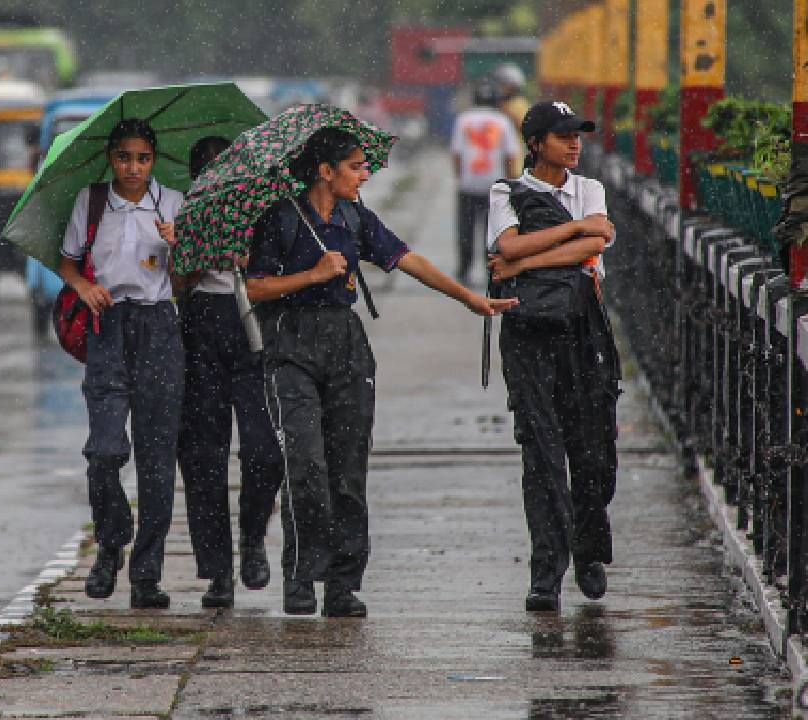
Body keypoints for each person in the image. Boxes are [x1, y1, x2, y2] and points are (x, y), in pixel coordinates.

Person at [246, 128, 516, 617]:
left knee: (348, 470)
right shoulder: (280, 219)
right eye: (355, 166)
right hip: (292, 349)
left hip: (347, 347)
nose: (364, 174)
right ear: (325, 171)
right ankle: (302, 575)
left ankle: (344, 584)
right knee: (305, 466)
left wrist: (467, 297)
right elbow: (257, 289)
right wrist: (313, 275)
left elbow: (406, 257)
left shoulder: (354, 217)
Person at [486, 100, 620, 613]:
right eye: (562, 135)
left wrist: (531, 251)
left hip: (584, 330)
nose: (574, 143)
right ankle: (547, 571)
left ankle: (589, 549)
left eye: (578, 134)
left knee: (595, 452)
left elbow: (595, 243)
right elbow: (506, 246)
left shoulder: (590, 189)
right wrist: (573, 233)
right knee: (542, 454)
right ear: (535, 142)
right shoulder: (507, 192)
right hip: (529, 332)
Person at [57, 118, 185, 609]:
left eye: (143, 158)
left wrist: (182, 245)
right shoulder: (90, 203)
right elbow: (68, 261)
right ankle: (111, 542)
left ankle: (147, 573)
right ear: (110, 158)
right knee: (105, 450)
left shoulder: (172, 203)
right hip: (107, 328)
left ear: (154, 160)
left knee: (156, 460)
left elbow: (189, 277)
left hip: (159, 329)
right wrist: (82, 286)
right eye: (124, 157)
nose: (133, 168)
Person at [175, 136, 283, 609]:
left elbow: (279, 275)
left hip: (252, 332)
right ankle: (217, 569)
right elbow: (172, 284)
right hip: (200, 330)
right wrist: (193, 259)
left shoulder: (263, 212)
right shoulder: (184, 215)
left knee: (264, 449)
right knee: (203, 457)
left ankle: (253, 536)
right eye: (208, 174)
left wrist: (249, 261)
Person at [450, 81, 522, 284]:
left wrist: (459, 176)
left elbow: (456, 153)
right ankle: (492, 270)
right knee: (493, 231)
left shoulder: (463, 120)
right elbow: (510, 154)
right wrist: (510, 182)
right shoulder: (503, 121)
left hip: (468, 184)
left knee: (466, 229)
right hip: (495, 184)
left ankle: (464, 269)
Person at [494, 63, 531, 177]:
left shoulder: (519, 104)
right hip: (497, 163)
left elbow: (527, 129)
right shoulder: (500, 104)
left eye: (503, 84)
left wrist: (507, 115)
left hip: (513, 163)